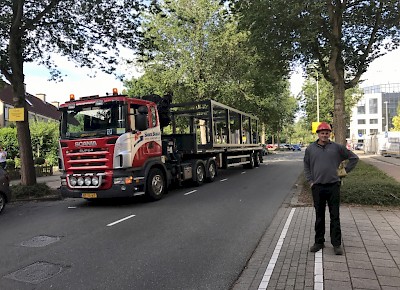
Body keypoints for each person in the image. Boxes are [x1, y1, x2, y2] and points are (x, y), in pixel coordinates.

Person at [304, 122, 359, 255]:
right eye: (322, 133)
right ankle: (319, 242)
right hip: (317, 187)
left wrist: (344, 172)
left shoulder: (337, 148)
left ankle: (336, 244)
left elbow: (354, 158)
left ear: (330, 134)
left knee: (335, 216)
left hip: (333, 186)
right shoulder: (310, 149)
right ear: (318, 134)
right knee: (319, 216)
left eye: (327, 133)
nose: (324, 135)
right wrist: (310, 181)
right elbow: (306, 165)